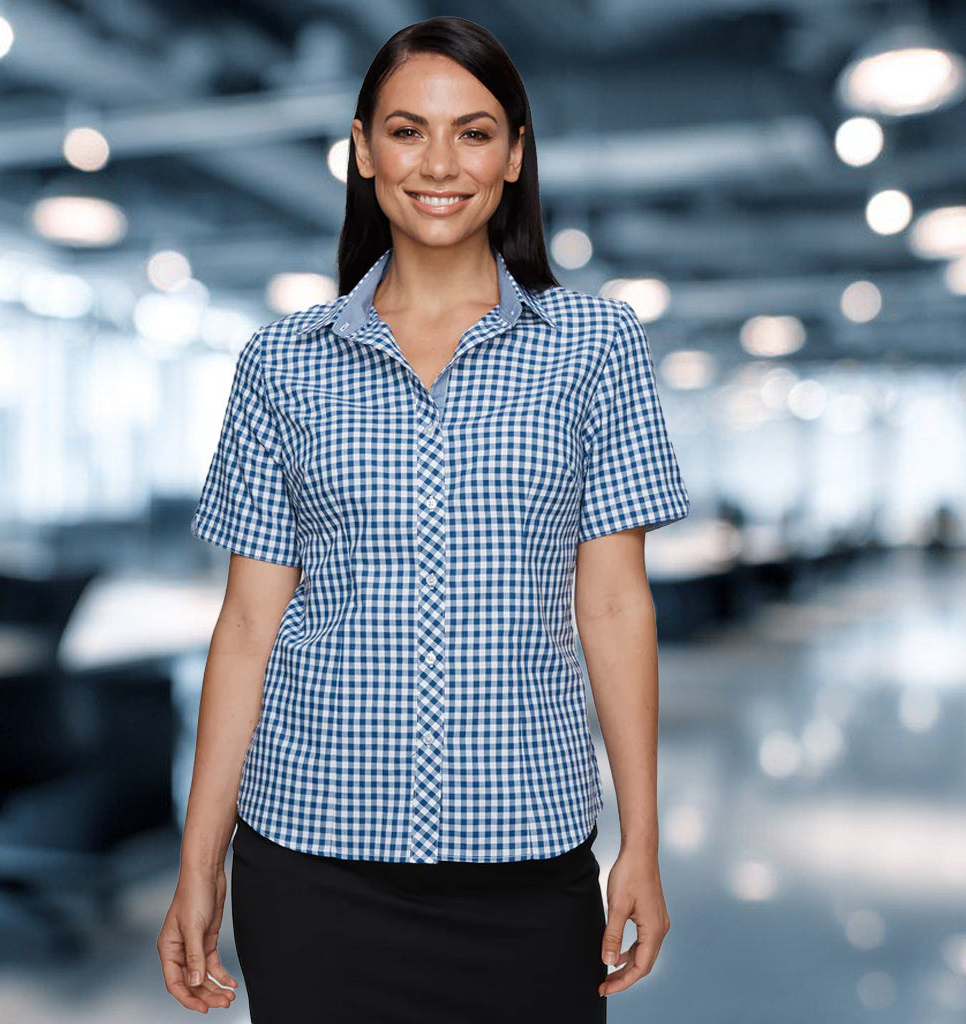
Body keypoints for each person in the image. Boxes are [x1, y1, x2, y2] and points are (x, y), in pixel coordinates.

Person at [157, 15, 690, 1023]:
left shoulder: (594, 345)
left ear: (515, 154)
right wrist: (198, 860)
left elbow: (616, 606)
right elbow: (245, 627)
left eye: (474, 132)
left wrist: (643, 842)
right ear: (362, 151)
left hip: (527, 868)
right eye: (407, 131)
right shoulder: (282, 362)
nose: (439, 163)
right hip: (310, 863)